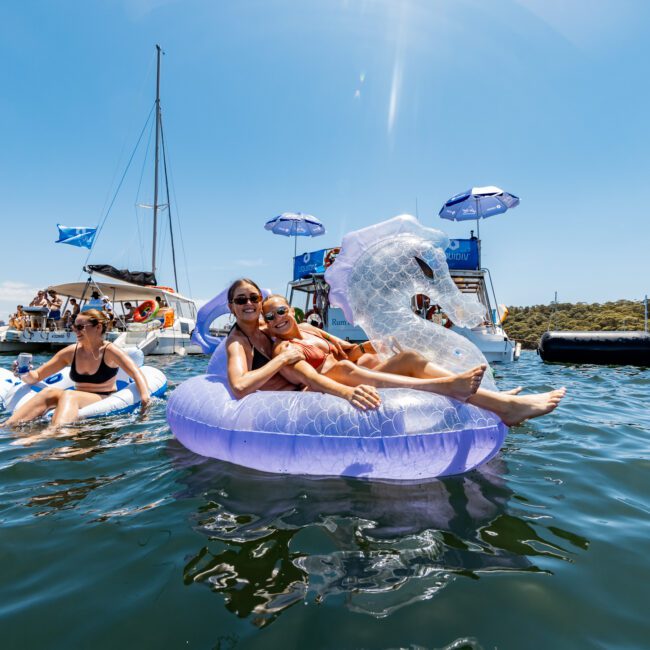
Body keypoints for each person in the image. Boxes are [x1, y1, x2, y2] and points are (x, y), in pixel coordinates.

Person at [262, 294, 566, 426]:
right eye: (270, 316)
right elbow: (312, 378)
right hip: (329, 388)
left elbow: (349, 351)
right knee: (346, 368)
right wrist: (344, 389)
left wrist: (370, 344)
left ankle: (492, 399)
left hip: (353, 371)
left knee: (406, 357)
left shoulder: (309, 330)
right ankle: (487, 400)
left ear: (292, 311)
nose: (277, 318)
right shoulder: (282, 350)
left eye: (281, 311)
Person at [224, 279, 380, 410]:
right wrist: (282, 359)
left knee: (369, 359)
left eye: (254, 298)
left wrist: (334, 340)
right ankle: (403, 383)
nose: (249, 303)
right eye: (241, 300)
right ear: (231, 307)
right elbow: (239, 387)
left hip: (307, 384)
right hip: (295, 400)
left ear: (260, 302)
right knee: (344, 369)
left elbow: (287, 324)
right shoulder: (237, 342)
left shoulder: (265, 328)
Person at [4, 309, 151, 431]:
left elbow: (135, 372)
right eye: (74, 326)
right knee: (49, 392)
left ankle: (53, 433)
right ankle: (6, 426)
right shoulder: (70, 352)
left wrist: (145, 398)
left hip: (102, 397)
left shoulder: (109, 351)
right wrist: (25, 373)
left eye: (80, 327)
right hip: (76, 395)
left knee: (70, 395)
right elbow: (36, 376)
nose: (75, 330)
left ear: (98, 327)